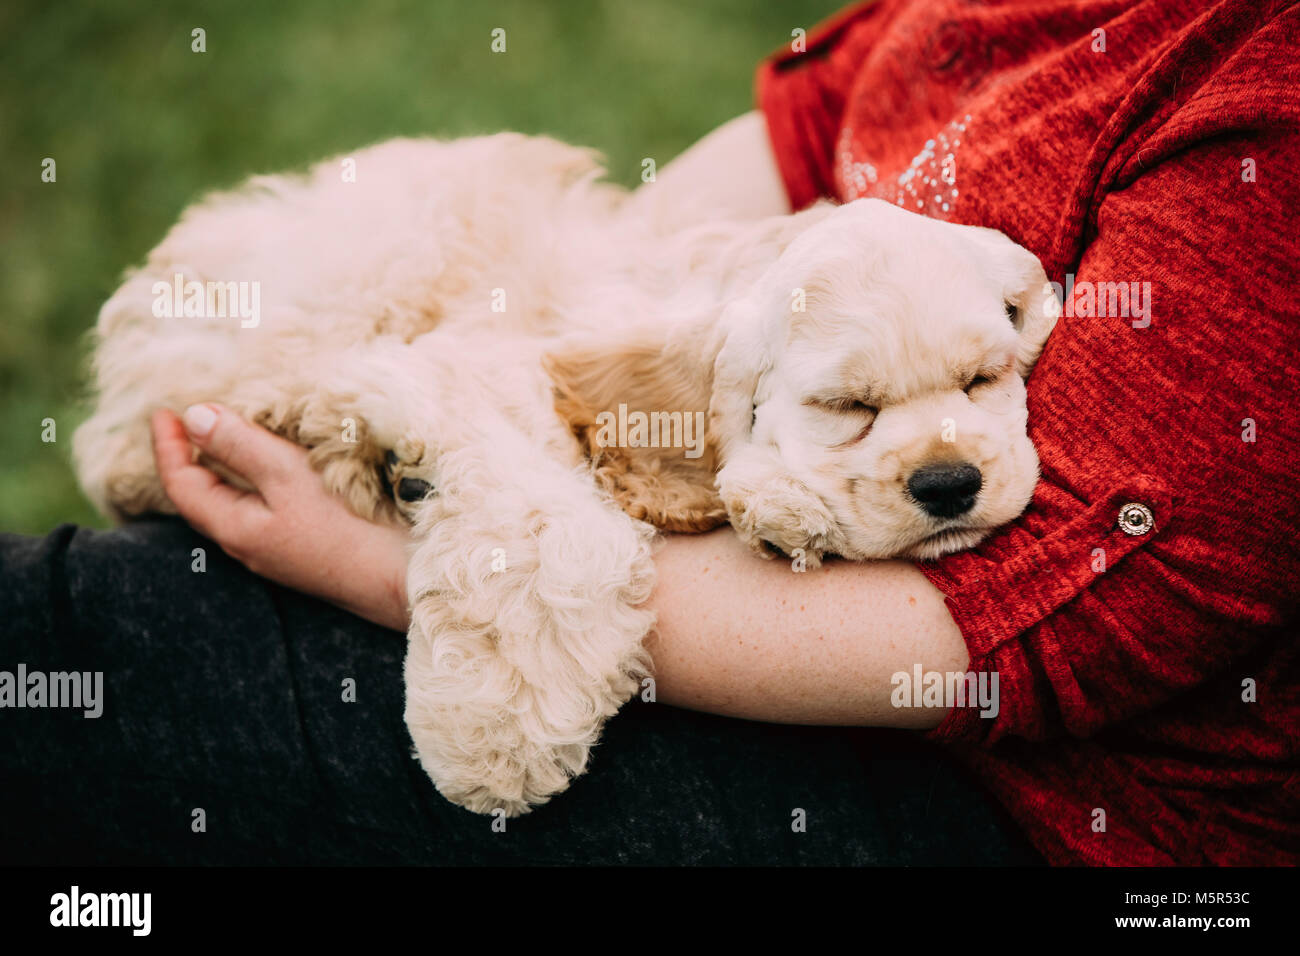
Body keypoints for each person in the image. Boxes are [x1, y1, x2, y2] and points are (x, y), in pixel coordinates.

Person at [4, 0, 1297, 865]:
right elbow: (801, 132)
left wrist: (388, 572)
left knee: (86, 671)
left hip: (1029, 809)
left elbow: (1052, 621)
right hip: (710, 578)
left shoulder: (1266, 94)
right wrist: (585, 336)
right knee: (81, 627)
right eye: (851, 410)